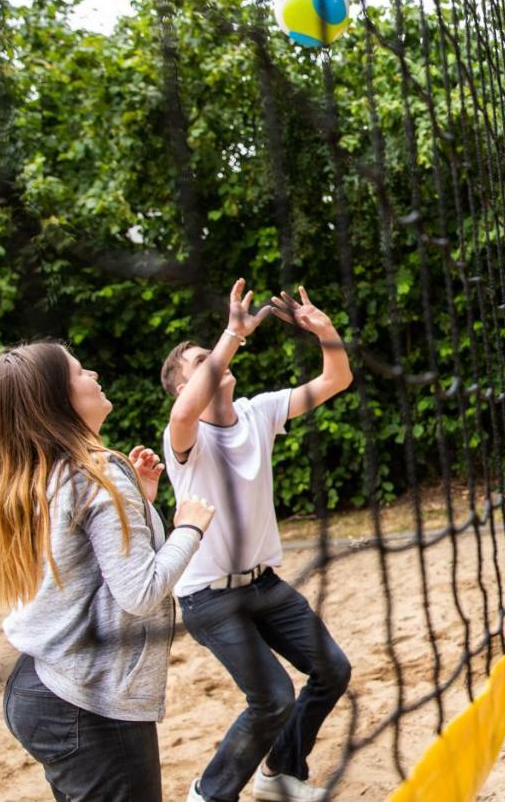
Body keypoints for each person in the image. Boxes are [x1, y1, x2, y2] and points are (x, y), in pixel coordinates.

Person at [0, 341, 215, 802]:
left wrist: (139, 504)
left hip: (39, 688)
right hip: (88, 705)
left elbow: (79, 562)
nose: (93, 373)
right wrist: (187, 528)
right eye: (79, 372)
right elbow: (141, 592)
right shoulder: (95, 476)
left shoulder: (39, 472)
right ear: (58, 400)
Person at [161, 280, 353, 802]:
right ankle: (209, 793)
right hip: (209, 597)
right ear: (186, 389)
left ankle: (280, 774)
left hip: (263, 585)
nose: (218, 363)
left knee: (332, 670)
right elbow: (181, 416)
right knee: (271, 697)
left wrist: (325, 330)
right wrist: (231, 332)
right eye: (201, 364)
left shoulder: (258, 410)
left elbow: (338, 378)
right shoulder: (185, 436)